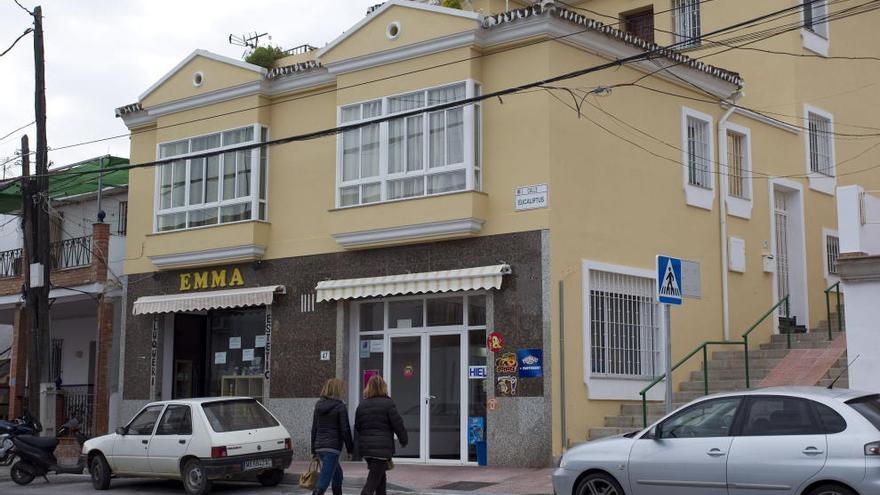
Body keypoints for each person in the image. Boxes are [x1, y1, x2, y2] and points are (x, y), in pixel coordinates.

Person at [355, 375, 407, 495]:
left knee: (380, 479)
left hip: (367, 449)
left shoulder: (362, 405)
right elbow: (398, 424)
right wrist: (403, 440)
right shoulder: (388, 404)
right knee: (371, 483)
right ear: (383, 387)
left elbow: (358, 426)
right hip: (382, 450)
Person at [311, 378, 354, 495]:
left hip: (320, 447)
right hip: (332, 448)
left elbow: (314, 428)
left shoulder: (318, 405)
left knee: (337, 475)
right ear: (338, 390)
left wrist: (313, 450)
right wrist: (351, 449)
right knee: (324, 481)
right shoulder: (340, 406)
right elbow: (345, 430)